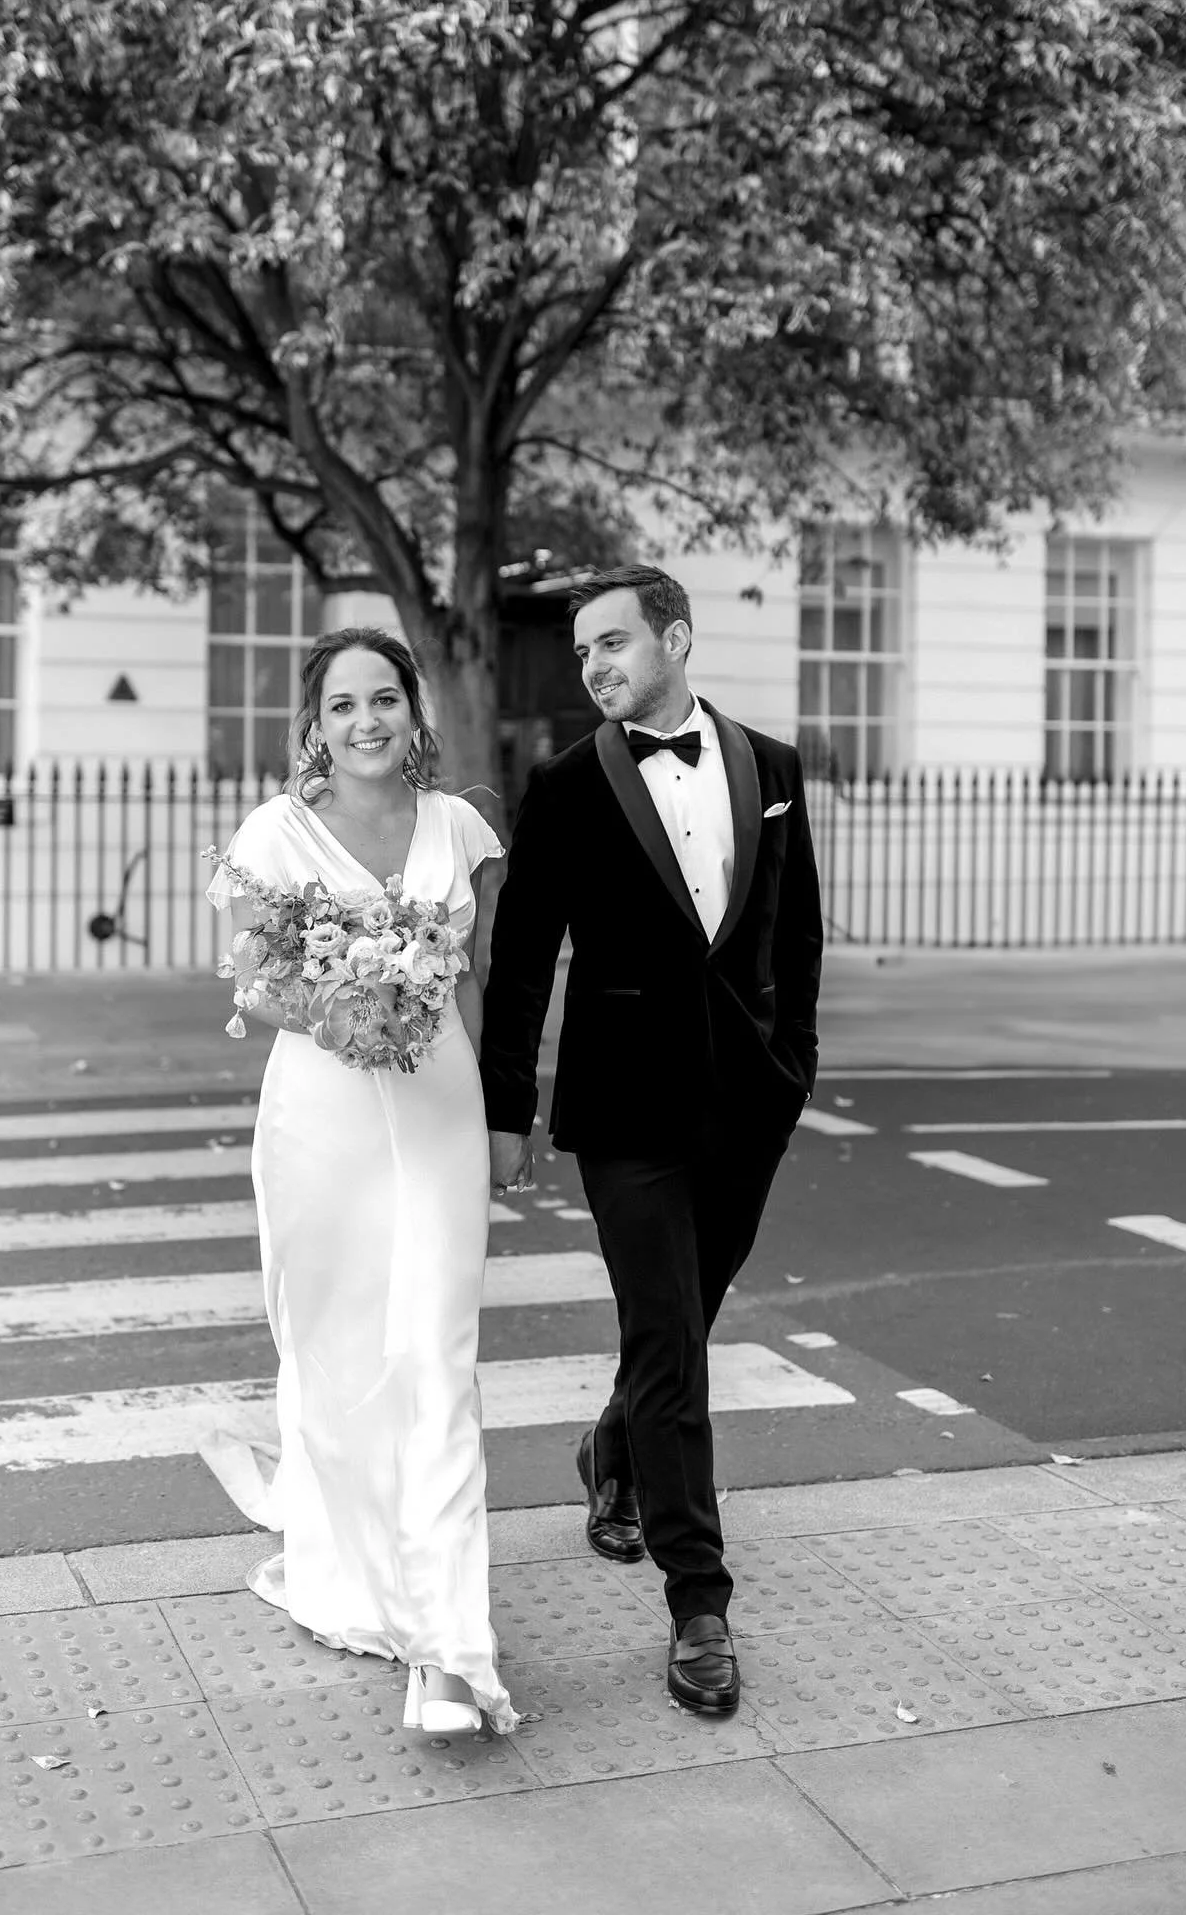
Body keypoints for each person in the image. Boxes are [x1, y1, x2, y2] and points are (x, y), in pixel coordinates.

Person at [479, 564, 822, 1715]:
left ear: (675, 638)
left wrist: (795, 1066)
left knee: (685, 1320)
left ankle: (612, 1450)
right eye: (582, 652)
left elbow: (797, 935)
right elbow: (524, 957)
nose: (593, 667)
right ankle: (699, 1605)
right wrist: (505, 1109)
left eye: (612, 643)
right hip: (627, 1110)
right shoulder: (566, 785)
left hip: (749, 1102)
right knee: (672, 1340)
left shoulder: (772, 767)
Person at [204, 626, 517, 1737]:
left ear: (413, 712)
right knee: (338, 1356)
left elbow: (478, 980)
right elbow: (251, 981)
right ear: (315, 725)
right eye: (342, 705)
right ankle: (351, 1573)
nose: (365, 722)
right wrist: (343, 1004)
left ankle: (449, 1652)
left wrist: (506, 1115)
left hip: (441, 1112)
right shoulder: (273, 834)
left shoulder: (460, 827)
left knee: (437, 1356)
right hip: (322, 1119)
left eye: (384, 699)